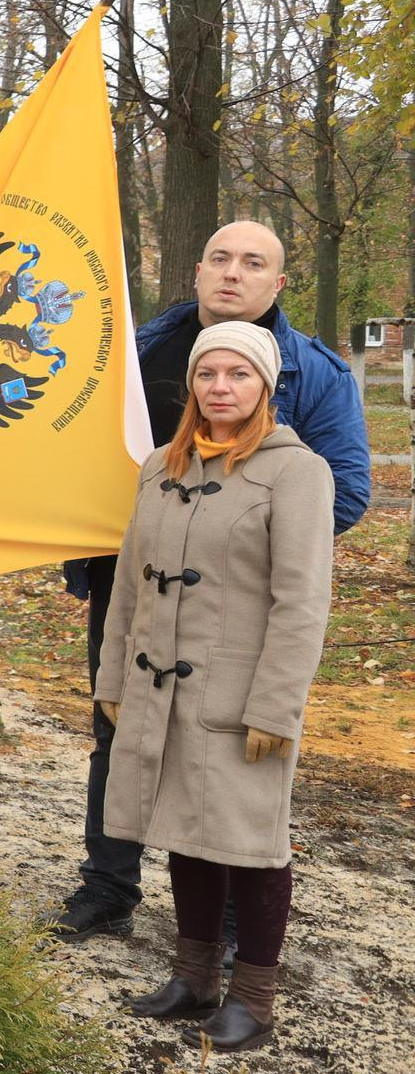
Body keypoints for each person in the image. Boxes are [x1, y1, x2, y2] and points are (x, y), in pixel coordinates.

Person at [55, 218, 372, 938]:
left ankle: (227, 925)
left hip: (238, 603)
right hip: (131, 581)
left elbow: (345, 489)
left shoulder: (312, 373)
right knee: (118, 732)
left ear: (278, 281)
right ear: (196, 270)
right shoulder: (133, 353)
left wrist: (242, 543)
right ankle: (108, 888)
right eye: (219, 257)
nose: (233, 272)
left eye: (253, 262)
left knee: (224, 750)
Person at [96, 321, 333, 1051]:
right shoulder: (159, 467)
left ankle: (255, 997)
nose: (220, 387)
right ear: (191, 383)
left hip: (240, 698)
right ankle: (194, 977)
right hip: (161, 688)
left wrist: (275, 706)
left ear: (265, 385)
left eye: (238, 374)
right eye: (208, 374)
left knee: (253, 844)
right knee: (185, 834)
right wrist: (112, 676)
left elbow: (302, 602)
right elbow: (130, 587)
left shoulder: (296, 472)